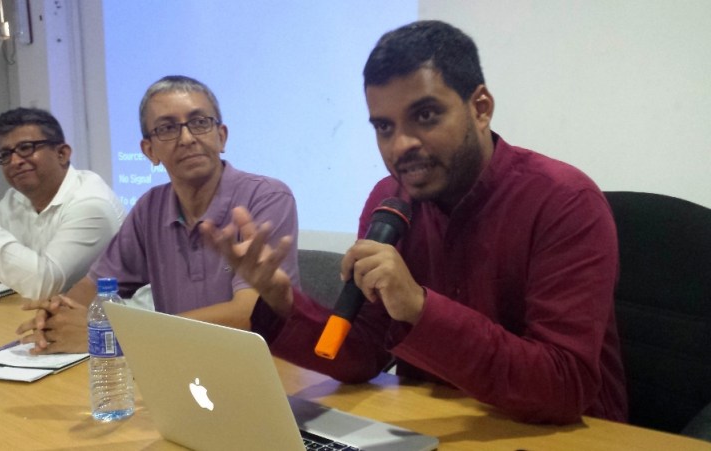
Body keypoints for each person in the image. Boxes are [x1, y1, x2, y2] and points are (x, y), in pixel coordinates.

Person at [200, 20, 628, 425]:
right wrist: (284, 303)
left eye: (425, 116)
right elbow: (363, 353)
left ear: (480, 108)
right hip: (429, 429)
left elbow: (564, 385)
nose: (400, 145)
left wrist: (421, 308)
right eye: (384, 126)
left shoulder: (565, 201)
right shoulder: (388, 199)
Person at [16, 75, 300, 354]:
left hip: (261, 368)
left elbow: (246, 316)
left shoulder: (267, 197)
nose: (187, 138)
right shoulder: (150, 207)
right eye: (167, 128)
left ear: (221, 136)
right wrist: (56, 315)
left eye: (200, 123)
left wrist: (118, 335)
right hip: (177, 365)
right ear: (149, 150)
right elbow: (94, 286)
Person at [0, 107, 125, 300]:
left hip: (105, 329)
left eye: (26, 148)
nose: (15, 161)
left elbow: (44, 285)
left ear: (62, 153)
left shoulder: (91, 204)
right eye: (5, 154)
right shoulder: (13, 200)